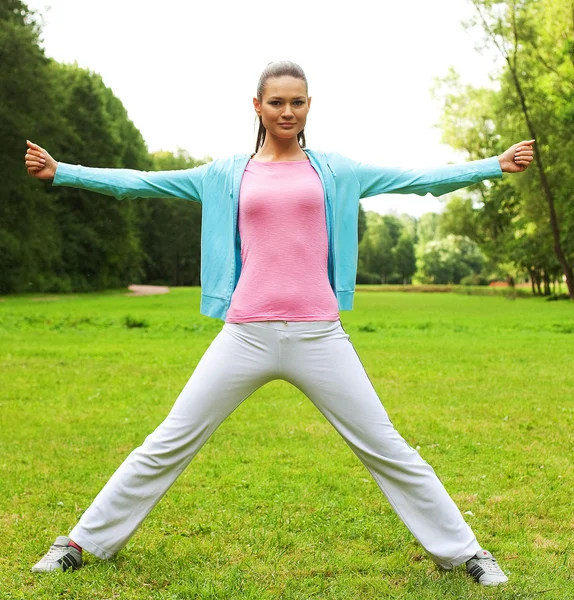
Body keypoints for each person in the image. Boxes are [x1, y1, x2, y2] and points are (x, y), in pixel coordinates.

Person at [25, 60, 534, 586]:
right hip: (245, 333)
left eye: (297, 101)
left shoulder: (337, 171)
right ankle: (81, 543)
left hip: (319, 335)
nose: (287, 111)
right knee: (168, 441)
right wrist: (63, 171)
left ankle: (467, 552)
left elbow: (420, 181)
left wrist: (493, 165)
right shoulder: (224, 175)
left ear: (309, 105)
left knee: (388, 448)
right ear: (258, 107)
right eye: (277, 102)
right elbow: (140, 184)